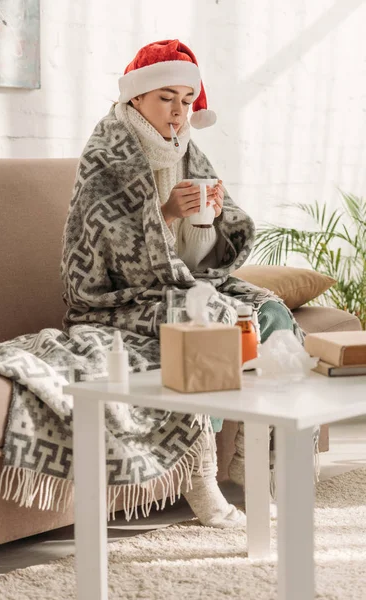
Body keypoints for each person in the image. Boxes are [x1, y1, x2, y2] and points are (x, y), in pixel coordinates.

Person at [61, 38, 304, 528]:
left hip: (180, 284)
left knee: (271, 312)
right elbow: (112, 261)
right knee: (208, 325)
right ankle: (202, 478)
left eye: (186, 101)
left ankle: (252, 458)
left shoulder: (189, 154)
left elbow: (197, 263)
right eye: (165, 98)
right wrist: (168, 212)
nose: (177, 112)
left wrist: (204, 222)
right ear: (136, 98)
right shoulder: (106, 157)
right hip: (114, 300)